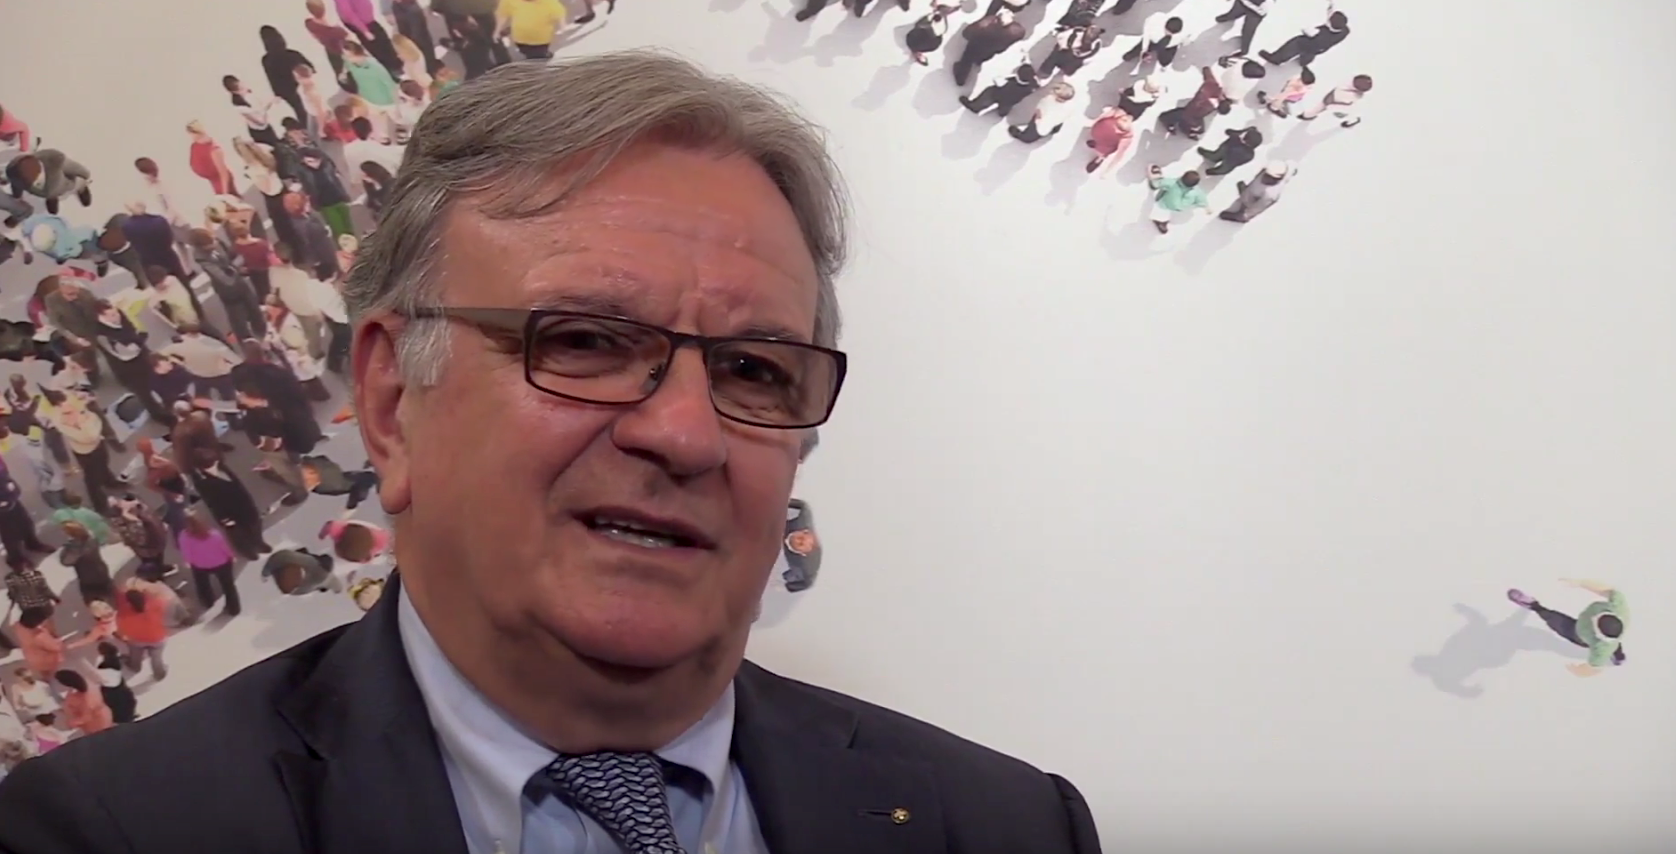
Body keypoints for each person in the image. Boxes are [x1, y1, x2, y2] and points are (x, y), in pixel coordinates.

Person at [0, 51, 1102, 853]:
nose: (684, 432)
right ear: (391, 400)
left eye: (753, 369)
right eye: (583, 342)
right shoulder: (113, 830)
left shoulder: (1005, 826)